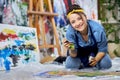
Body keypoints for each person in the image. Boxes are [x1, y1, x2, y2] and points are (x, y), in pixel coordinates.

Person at [63, 4, 112, 70]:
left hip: (96, 53)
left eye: (79, 18)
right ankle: (81, 64)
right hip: (79, 55)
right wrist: (71, 48)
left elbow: (102, 49)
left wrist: (96, 60)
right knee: (70, 64)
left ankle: (97, 64)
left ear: (85, 17)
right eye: (73, 22)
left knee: (106, 63)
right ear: (71, 25)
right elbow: (73, 55)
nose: (77, 23)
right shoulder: (70, 32)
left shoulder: (98, 29)